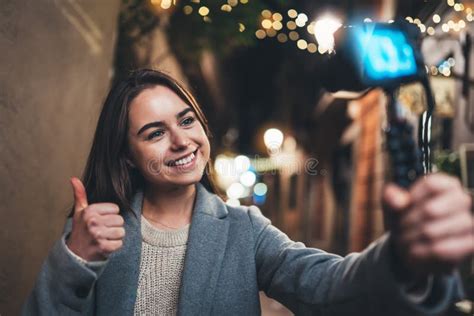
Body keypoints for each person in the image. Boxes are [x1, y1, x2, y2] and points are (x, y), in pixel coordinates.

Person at [22, 69, 473, 315]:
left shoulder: (244, 229)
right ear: (126, 156)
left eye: (186, 120)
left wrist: (399, 259)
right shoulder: (96, 234)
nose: (181, 141)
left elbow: (330, 288)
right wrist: (74, 261)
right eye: (154, 132)